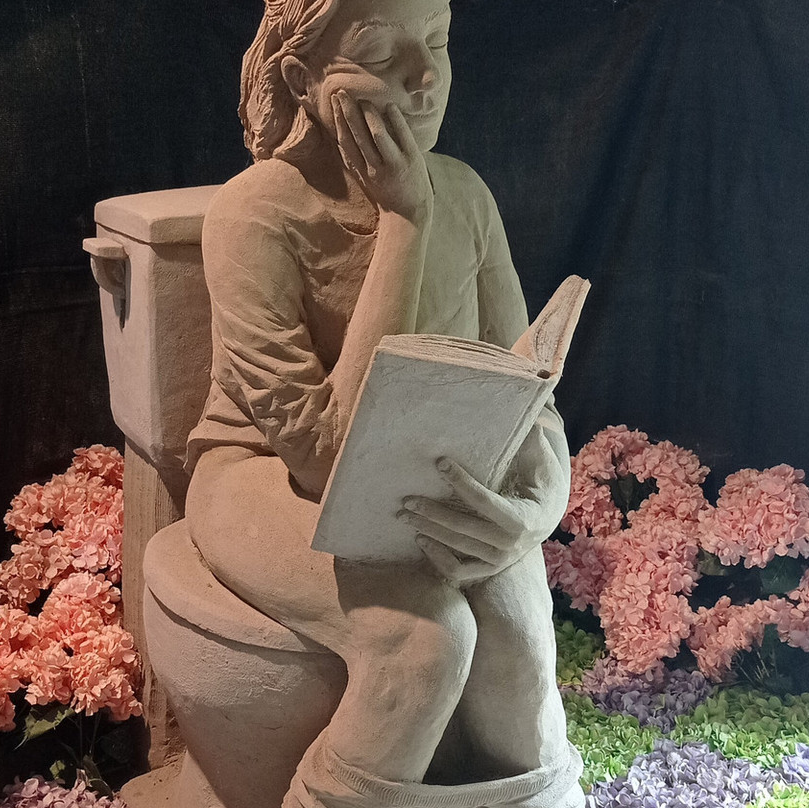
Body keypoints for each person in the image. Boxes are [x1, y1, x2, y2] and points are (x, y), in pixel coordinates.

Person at [183, 0, 584, 805]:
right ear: (303, 79)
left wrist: (536, 510)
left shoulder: (465, 196)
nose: (425, 76)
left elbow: (526, 391)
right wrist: (404, 219)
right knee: (422, 642)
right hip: (262, 476)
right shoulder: (254, 214)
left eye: (437, 42)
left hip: (429, 469)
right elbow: (326, 457)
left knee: (517, 637)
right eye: (380, 54)